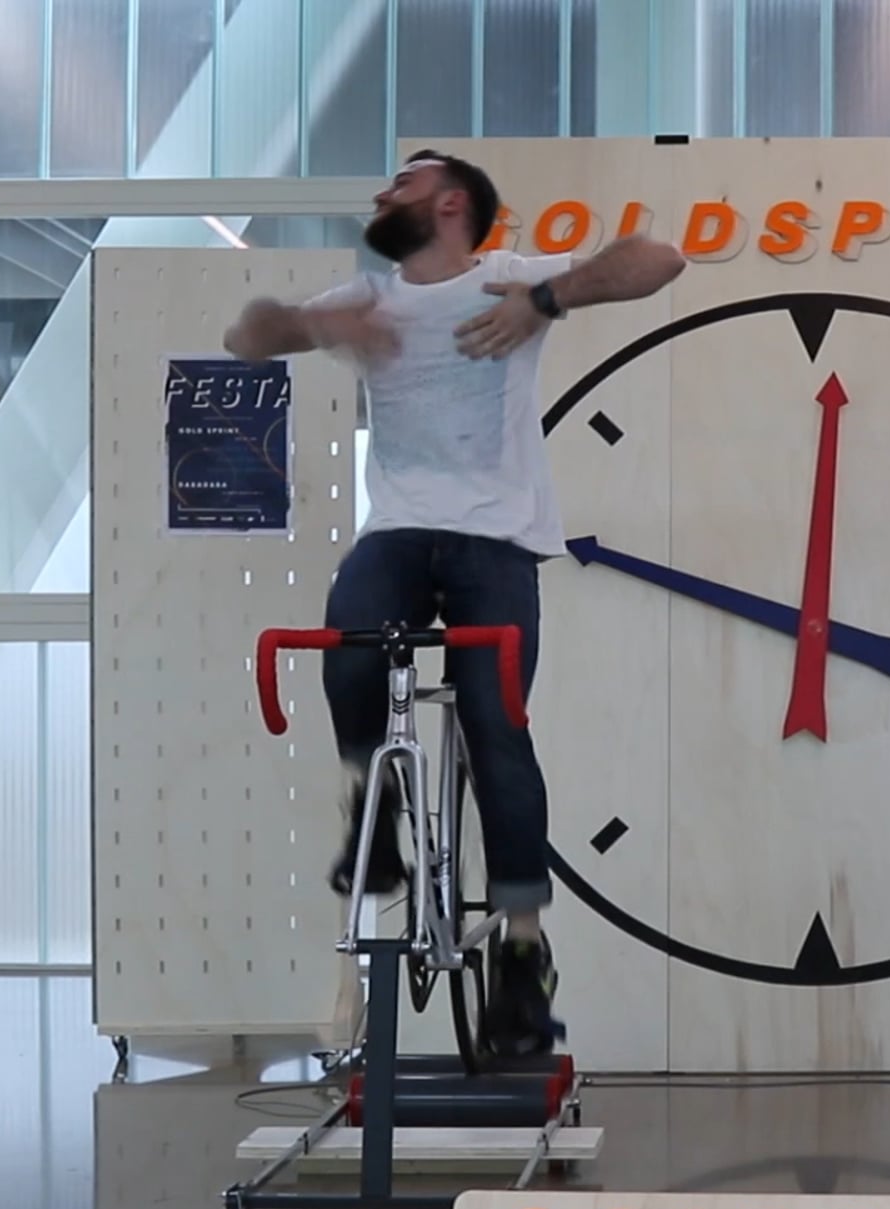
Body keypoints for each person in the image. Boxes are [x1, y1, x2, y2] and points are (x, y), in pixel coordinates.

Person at [223, 148, 687, 1057]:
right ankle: (374, 806)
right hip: (399, 531)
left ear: (450, 203)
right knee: (348, 644)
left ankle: (522, 952)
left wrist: (545, 300)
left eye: (401, 181)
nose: (380, 190)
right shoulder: (370, 296)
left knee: (497, 730)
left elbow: (660, 259)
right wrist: (312, 324)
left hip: (496, 539)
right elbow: (247, 336)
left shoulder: (508, 275)